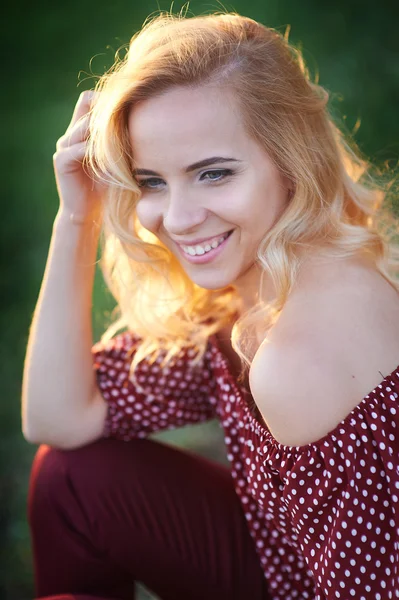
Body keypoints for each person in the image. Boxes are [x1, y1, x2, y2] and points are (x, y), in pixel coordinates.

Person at [22, 10, 399, 600]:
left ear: (291, 159)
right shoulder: (251, 289)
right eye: (150, 181)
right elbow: (58, 417)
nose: (176, 218)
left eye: (214, 174)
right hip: (282, 565)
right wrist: (76, 215)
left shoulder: (303, 356)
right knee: (70, 478)